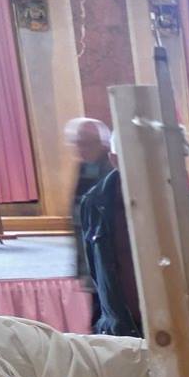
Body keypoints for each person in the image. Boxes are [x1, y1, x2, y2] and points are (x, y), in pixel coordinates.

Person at [78, 149, 189, 338]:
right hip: (122, 334)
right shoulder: (94, 204)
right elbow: (96, 272)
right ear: (115, 160)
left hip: (186, 332)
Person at [65, 118, 113, 286]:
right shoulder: (84, 167)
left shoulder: (112, 169)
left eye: (87, 143)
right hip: (89, 250)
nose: (81, 149)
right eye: (78, 143)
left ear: (102, 143)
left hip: (109, 255)